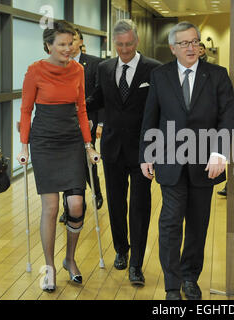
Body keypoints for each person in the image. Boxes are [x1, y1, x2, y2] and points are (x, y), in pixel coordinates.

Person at [139, 21, 234, 300]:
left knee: (197, 223)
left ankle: (190, 277)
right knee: (169, 222)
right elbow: (151, 117)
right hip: (170, 161)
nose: (192, 47)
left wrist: (220, 153)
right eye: (184, 43)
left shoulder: (218, 75)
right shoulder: (160, 76)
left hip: (205, 162)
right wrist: (147, 153)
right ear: (173, 48)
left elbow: (227, 117)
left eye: (195, 42)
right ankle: (172, 285)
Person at [17, 20, 100, 292]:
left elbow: (81, 110)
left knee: (76, 205)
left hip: (71, 140)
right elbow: (26, 110)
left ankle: (70, 259)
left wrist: (89, 144)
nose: (69, 48)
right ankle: (49, 267)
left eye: (72, 42)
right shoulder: (35, 71)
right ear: (48, 45)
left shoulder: (77, 71)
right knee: (51, 208)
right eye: (62, 44)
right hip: (44, 142)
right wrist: (23, 146)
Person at [87, 19, 162, 286]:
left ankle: (137, 264)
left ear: (137, 41)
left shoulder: (154, 69)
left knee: (140, 207)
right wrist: (70, 106)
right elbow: (96, 100)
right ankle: (121, 249)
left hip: (143, 152)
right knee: (116, 204)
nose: (125, 49)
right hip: (112, 148)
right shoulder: (105, 68)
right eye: (120, 45)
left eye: (129, 44)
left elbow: (162, 110)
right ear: (113, 43)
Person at [58, 28, 104, 226]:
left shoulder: (94, 63)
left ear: (80, 41)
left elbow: (101, 96)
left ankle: (97, 192)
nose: (69, 43)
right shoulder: (59, 64)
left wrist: (101, 122)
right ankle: (68, 207)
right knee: (66, 165)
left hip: (89, 120)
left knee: (87, 161)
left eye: (73, 39)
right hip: (64, 123)